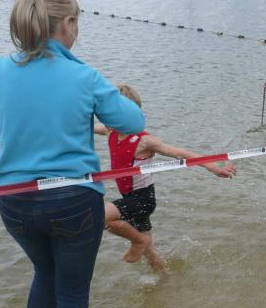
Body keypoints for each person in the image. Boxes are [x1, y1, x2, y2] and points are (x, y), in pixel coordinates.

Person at [0, 0, 145, 308]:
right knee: (72, 288)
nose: (78, 31)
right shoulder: (83, 75)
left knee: (44, 273)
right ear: (67, 24)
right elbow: (133, 121)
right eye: (77, 23)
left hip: (14, 201)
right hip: (72, 200)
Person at [94, 83, 237, 273]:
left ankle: (138, 241)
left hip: (143, 200)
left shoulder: (144, 140)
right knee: (151, 255)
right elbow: (86, 126)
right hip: (129, 198)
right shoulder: (110, 132)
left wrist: (213, 167)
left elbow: (180, 153)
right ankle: (166, 280)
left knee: (98, 217)